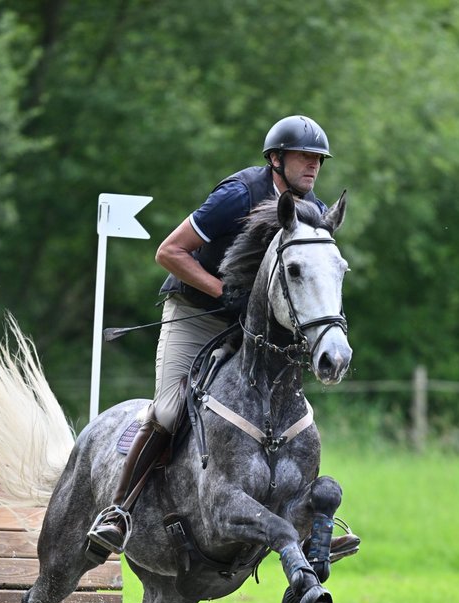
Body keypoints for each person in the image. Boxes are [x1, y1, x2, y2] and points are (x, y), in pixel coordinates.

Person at [86, 115, 333, 556]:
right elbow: (169, 251)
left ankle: (309, 516)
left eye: (318, 159)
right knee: (168, 409)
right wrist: (223, 291)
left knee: (288, 410)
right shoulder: (237, 195)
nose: (313, 166)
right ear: (276, 159)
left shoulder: (310, 206)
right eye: (304, 157)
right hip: (197, 311)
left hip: (248, 326)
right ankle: (119, 512)